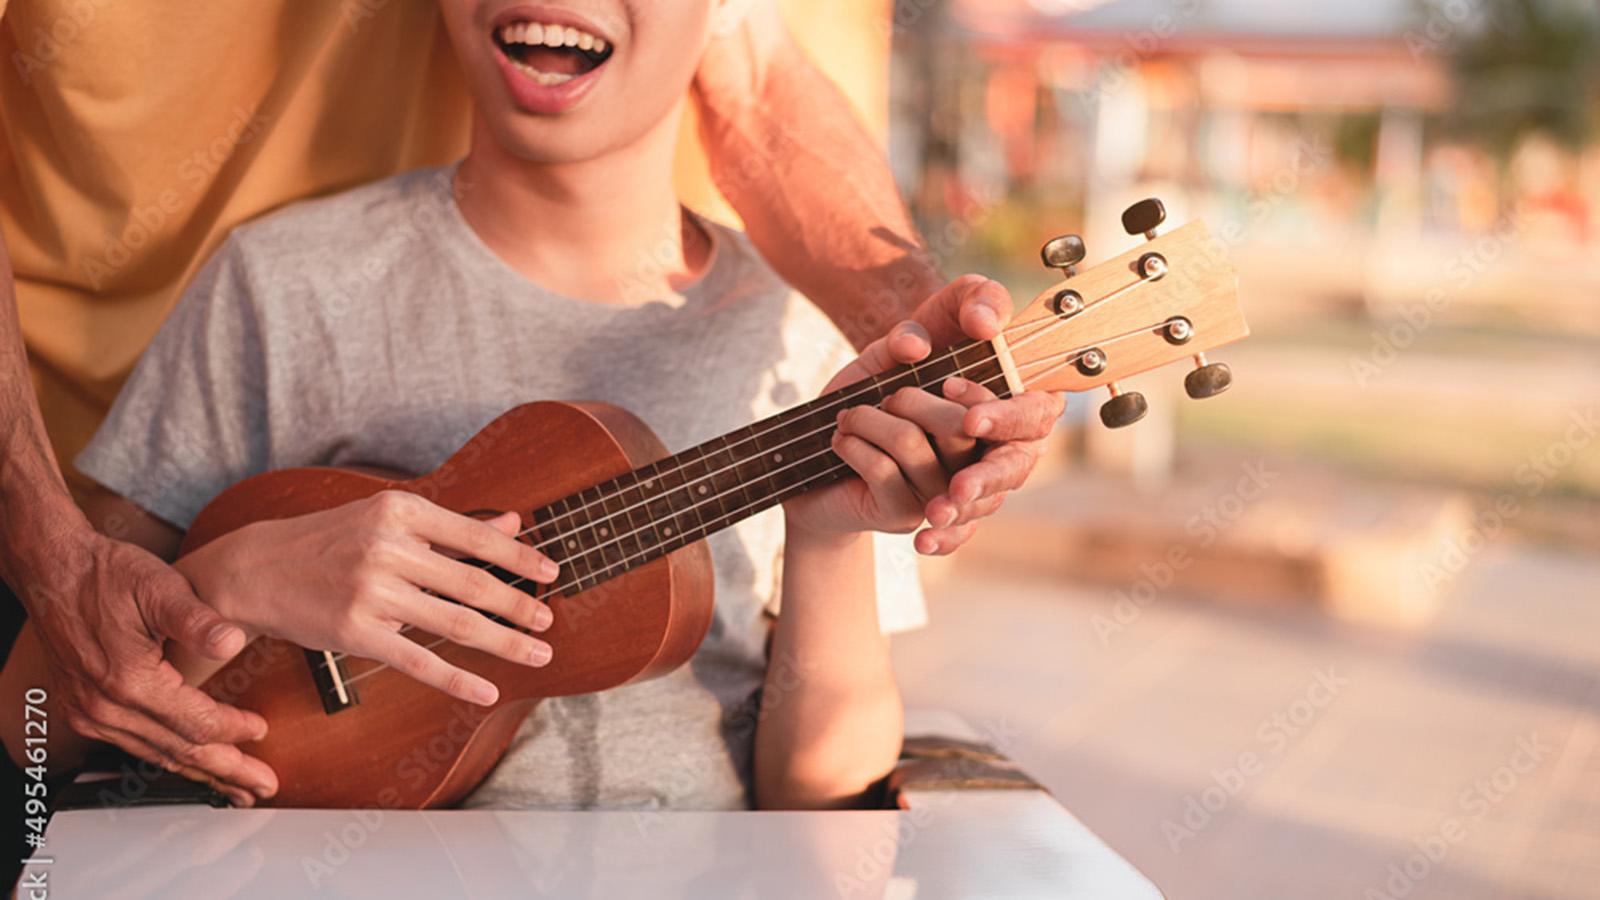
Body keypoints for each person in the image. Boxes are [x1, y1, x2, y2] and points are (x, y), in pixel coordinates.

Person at [1, 0, 1064, 810]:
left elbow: (824, 801)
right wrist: (225, 583)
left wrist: (828, 544)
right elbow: (34, 723)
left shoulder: (799, 342)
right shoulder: (285, 288)